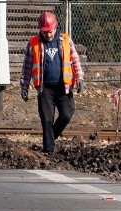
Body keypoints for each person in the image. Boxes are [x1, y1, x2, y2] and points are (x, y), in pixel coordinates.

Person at [20, 12, 85, 154]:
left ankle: (51, 137)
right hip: (45, 88)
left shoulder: (66, 40)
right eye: (45, 32)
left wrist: (79, 78)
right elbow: (27, 66)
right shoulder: (33, 43)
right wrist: (24, 86)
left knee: (67, 114)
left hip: (63, 87)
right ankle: (48, 150)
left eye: (50, 32)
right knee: (47, 119)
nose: (48, 35)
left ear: (55, 27)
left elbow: (75, 60)